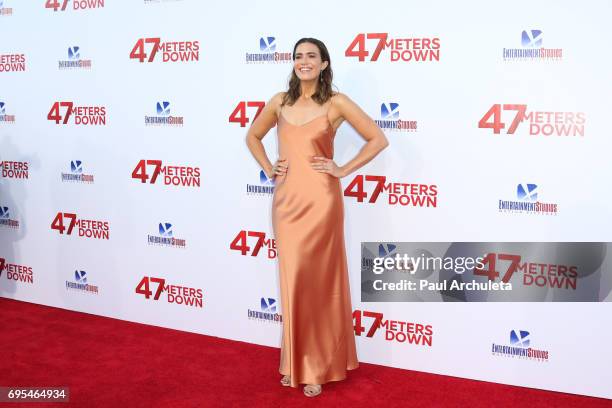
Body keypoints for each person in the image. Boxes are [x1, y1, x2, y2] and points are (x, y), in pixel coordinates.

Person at [245, 37, 388, 397]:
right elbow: (253, 136)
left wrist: (342, 169)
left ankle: (316, 368)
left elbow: (377, 139)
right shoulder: (280, 101)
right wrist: (269, 167)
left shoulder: (335, 103)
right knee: (294, 283)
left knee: (319, 285)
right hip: (287, 202)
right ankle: (295, 362)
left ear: (324, 63)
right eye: (298, 56)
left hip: (322, 203)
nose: (303, 61)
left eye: (311, 56)